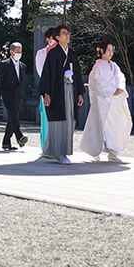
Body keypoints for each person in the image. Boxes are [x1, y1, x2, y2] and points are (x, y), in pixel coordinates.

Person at [38, 24, 84, 164]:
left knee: (69, 120)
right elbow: (47, 74)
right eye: (64, 33)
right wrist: (46, 93)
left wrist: (80, 93)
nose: (67, 35)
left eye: (68, 33)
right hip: (57, 91)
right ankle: (58, 153)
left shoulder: (72, 53)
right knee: (58, 121)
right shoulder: (52, 53)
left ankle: (63, 151)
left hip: (70, 89)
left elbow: (78, 74)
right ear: (57, 37)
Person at [81, 40, 131, 163]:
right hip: (102, 102)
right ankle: (95, 152)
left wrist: (119, 88)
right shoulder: (97, 67)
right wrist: (111, 91)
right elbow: (97, 84)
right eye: (108, 50)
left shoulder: (113, 65)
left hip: (114, 102)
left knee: (116, 126)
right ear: (102, 51)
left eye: (112, 50)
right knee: (100, 127)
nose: (110, 53)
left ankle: (113, 152)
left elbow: (121, 77)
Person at [0, 42, 28, 151]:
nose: (19, 53)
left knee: (12, 117)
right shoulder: (4, 64)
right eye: (17, 51)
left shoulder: (23, 66)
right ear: (11, 52)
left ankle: (6, 142)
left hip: (18, 95)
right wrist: (1, 93)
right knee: (13, 114)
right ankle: (19, 136)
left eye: (20, 51)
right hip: (7, 94)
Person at [34, 28, 58, 149]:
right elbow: (40, 71)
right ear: (48, 39)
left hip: (60, 90)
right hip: (46, 89)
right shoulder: (41, 53)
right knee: (46, 119)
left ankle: (57, 147)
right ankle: (46, 147)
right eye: (54, 37)